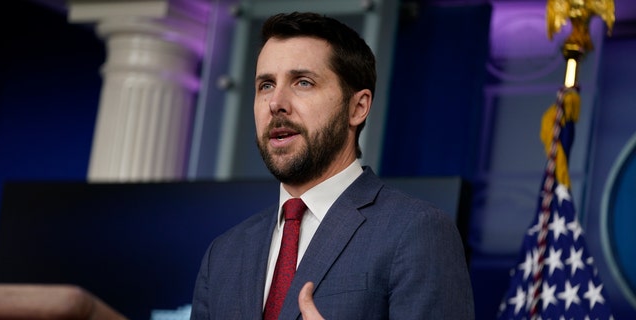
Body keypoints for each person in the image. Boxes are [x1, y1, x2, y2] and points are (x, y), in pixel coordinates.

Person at [191, 11, 474, 319]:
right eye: (266, 85)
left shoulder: (418, 231)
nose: (276, 102)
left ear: (358, 107)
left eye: (302, 82)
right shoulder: (224, 254)